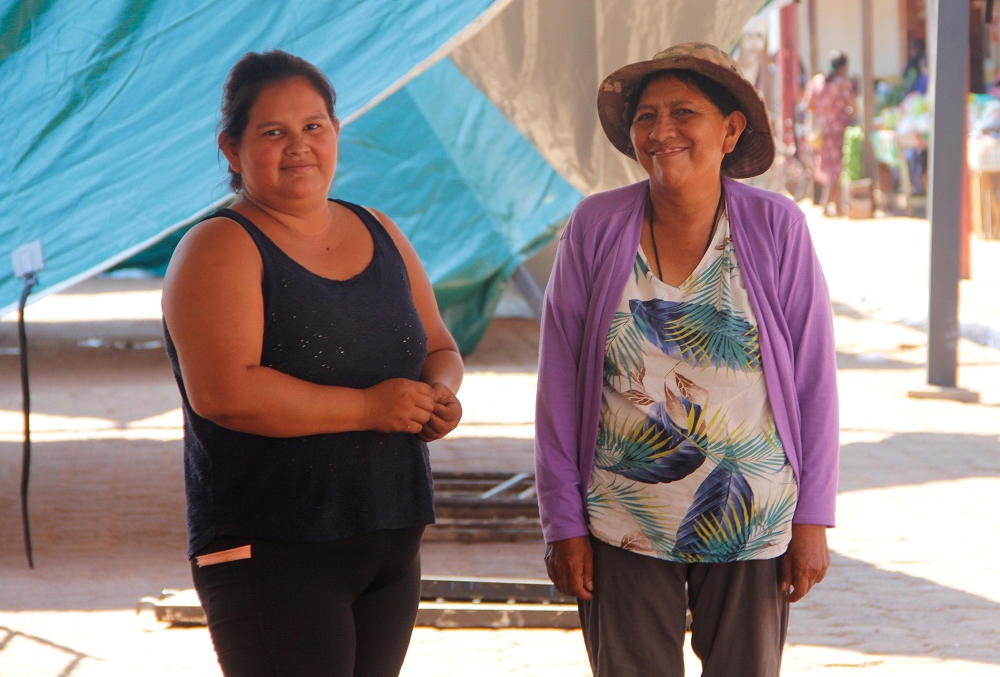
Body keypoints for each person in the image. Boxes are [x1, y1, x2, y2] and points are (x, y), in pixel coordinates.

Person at [535, 42, 839, 677]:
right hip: (622, 517)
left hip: (750, 514)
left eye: (684, 113)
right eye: (647, 116)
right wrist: (561, 520)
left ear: (730, 130)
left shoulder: (776, 227)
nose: (661, 131)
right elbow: (559, 385)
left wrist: (813, 517)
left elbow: (813, 379)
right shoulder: (594, 226)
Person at [161, 49, 463, 677]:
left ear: (335, 133)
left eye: (313, 127)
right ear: (231, 149)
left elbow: (439, 346)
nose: (298, 146)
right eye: (273, 132)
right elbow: (225, 393)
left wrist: (439, 395)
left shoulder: (377, 227)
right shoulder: (219, 245)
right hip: (274, 549)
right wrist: (372, 408)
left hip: (389, 542)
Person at [803, 51, 856, 215]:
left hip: (822, 130)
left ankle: (835, 204)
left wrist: (823, 111)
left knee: (826, 166)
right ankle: (828, 203)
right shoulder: (843, 83)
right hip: (838, 130)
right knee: (837, 167)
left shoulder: (817, 82)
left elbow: (808, 105)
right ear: (843, 67)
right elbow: (853, 107)